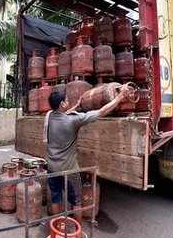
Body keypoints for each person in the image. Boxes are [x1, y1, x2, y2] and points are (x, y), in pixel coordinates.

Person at [43, 85, 131, 224]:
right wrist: (120, 97)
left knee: (56, 198)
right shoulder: (73, 121)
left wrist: (77, 106)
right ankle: (77, 237)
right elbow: (101, 112)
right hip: (69, 169)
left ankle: (58, 230)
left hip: (52, 167)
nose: (68, 102)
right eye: (66, 100)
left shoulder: (49, 116)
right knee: (77, 201)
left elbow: (64, 115)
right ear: (61, 104)